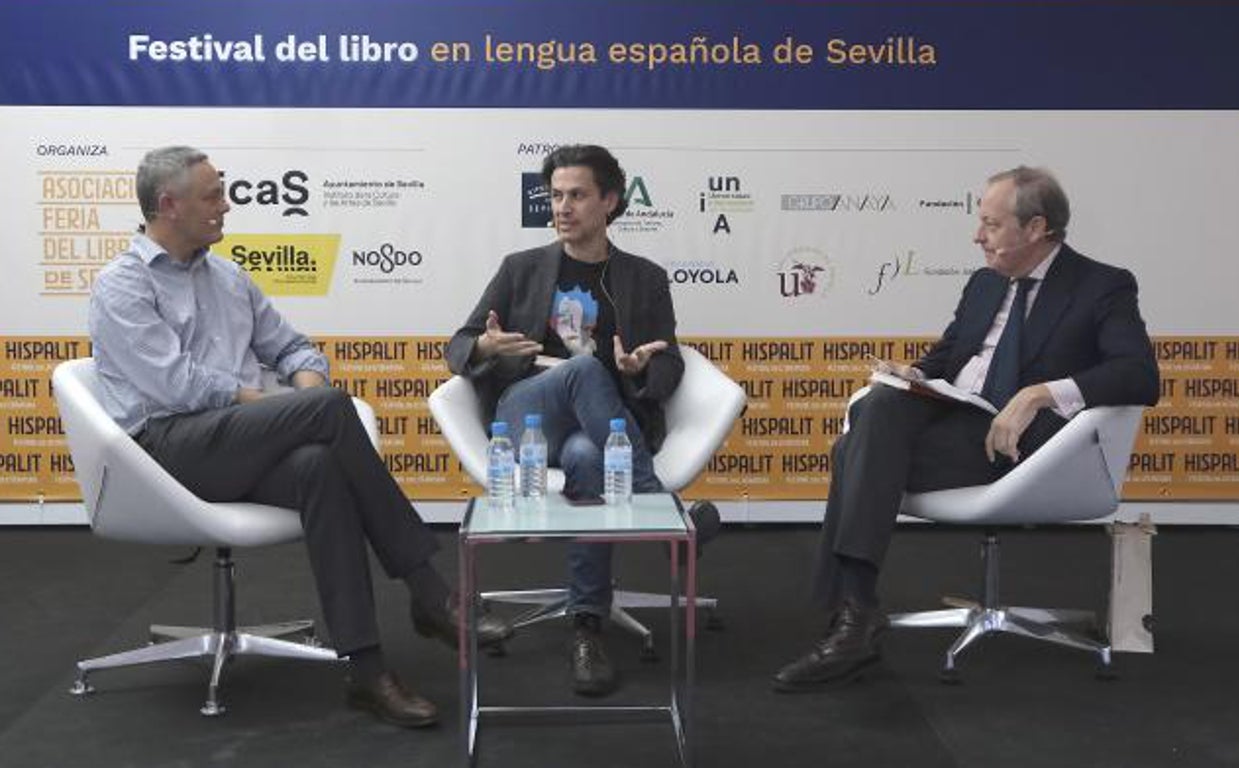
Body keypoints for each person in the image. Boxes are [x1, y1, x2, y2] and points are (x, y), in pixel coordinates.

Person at [88, 146, 512, 728]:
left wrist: (304, 389)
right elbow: (176, 385)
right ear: (169, 204)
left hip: (237, 439)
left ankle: (366, 672)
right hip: (169, 452)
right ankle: (430, 592)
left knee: (318, 464)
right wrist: (291, 404)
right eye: (212, 195)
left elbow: (294, 349)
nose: (225, 205)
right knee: (326, 412)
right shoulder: (122, 285)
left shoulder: (227, 277)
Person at [772, 166, 1160, 692]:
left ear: (1036, 228)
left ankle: (854, 614)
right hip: (956, 418)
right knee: (879, 406)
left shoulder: (1102, 286)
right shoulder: (983, 283)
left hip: (1021, 444)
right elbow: (951, 355)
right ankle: (856, 614)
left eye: (991, 225)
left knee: (853, 450)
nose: (977, 236)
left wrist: (1040, 393)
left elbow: (1139, 374)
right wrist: (915, 375)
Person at [445, 144, 719, 697]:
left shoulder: (645, 278)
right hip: (527, 418)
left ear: (610, 202)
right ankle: (669, 522)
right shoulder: (520, 269)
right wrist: (487, 346)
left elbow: (667, 361)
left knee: (587, 458)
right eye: (556, 196)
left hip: (599, 431)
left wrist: (641, 369)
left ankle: (586, 628)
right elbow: (458, 346)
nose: (562, 207)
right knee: (582, 372)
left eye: (577, 196)